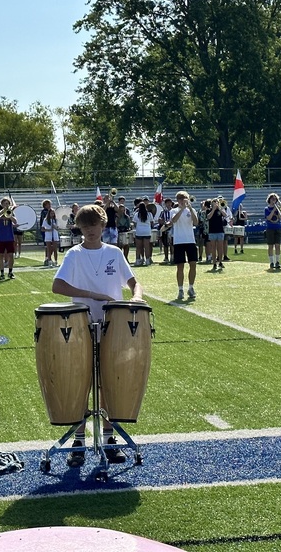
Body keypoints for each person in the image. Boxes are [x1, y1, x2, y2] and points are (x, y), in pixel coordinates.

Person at [51, 203, 144, 466]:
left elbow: (134, 283)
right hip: (79, 326)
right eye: (85, 226)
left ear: (103, 225)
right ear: (79, 227)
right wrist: (93, 295)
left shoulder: (114, 253)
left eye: (94, 225)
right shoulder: (74, 254)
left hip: (113, 327)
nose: (90, 230)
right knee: (80, 383)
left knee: (109, 382)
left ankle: (107, 437)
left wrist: (136, 297)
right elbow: (57, 285)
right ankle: (78, 441)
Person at [163, 191, 198, 300]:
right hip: (179, 241)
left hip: (190, 241)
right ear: (178, 201)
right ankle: (180, 289)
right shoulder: (174, 210)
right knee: (180, 266)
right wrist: (182, 209)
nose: (183, 201)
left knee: (193, 264)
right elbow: (173, 220)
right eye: (181, 199)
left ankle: (191, 287)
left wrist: (191, 209)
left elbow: (196, 223)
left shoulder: (191, 210)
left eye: (185, 199)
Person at [0, 197, 19, 280]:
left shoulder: (11, 213)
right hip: (0, 237)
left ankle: (10, 272)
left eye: (7, 203)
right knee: (1, 256)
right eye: (4, 203)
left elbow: (15, 221)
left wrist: (10, 214)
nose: (6, 205)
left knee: (11, 255)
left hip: (9, 237)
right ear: (2, 204)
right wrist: (1, 214)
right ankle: (2, 273)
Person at [263, 193, 281, 271]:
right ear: (269, 200)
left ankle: (277, 262)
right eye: (272, 199)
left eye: (275, 199)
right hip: (270, 228)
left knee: (277, 245)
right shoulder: (266, 209)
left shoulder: (278, 208)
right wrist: (274, 210)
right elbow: (268, 218)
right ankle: (271, 262)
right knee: (270, 246)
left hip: (278, 228)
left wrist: (278, 210)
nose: (274, 200)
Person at [206, 198, 227, 272]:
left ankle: (220, 262)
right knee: (213, 248)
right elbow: (208, 217)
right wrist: (213, 209)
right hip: (212, 231)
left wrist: (220, 209)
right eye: (214, 203)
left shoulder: (220, 210)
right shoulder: (209, 210)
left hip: (220, 231)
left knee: (220, 248)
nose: (216, 204)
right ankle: (214, 263)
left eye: (217, 202)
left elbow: (225, 215)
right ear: (212, 204)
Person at [133, 200, 153, 267]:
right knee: (147, 247)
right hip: (147, 232)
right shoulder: (149, 214)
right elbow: (152, 222)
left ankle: (138, 260)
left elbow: (134, 223)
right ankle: (147, 260)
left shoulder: (137, 214)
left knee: (138, 247)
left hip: (139, 232)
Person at [157, 198, 173, 265]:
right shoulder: (163, 212)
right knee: (165, 244)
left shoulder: (174, 211)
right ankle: (166, 257)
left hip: (173, 229)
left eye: (170, 202)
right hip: (165, 229)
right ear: (165, 204)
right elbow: (159, 220)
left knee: (172, 244)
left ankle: (172, 256)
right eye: (167, 203)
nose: (169, 204)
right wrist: (164, 223)